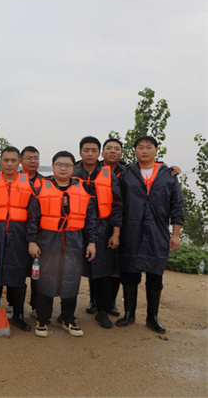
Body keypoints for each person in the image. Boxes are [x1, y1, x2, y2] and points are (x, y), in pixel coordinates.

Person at [116, 136, 184, 334]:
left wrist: (176, 234)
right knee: (129, 274)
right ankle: (129, 314)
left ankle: (152, 317)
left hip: (157, 232)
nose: (144, 150)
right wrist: (117, 232)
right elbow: (118, 205)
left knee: (155, 276)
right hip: (131, 231)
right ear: (135, 150)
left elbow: (177, 205)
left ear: (156, 150)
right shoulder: (126, 173)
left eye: (149, 147)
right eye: (140, 147)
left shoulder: (168, 174)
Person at [28, 151, 97, 338]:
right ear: (53, 167)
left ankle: (68, 318)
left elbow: (90, 219)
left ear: (73, 168)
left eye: (67, 165)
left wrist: (91, 242)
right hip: (48, 239)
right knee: (46, 277)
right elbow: (32, 218)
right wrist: (32, 241)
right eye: (59, 164)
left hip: (74, 239)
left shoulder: (82, 189)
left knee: (71, 278)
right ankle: (43, 320)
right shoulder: (41, 188)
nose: (63, 168)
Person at [0, 146, 34, 331]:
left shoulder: (28, 182)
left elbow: (34, 212)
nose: (9, 164)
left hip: (19, 231)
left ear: (19, 162)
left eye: (13, 160)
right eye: (6, 160)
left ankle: (18, 314)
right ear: (0, 162)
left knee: (17, 271)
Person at [73, 136, 122, 328]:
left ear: (99, 153)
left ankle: (102, 311)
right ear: (80, 153)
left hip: (103, 227)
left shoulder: (108, 175)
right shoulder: (72, 174)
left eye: (94, 150)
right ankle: (67, 311)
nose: (90, 154)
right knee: (71, 269)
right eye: (86, 150)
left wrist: (116, 232)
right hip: (76, 227)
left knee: (103, 271)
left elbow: (118, 205)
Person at [20, 145, 44, 316]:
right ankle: (16, 306)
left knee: (38, 272)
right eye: (29, 158)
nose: (33, 161)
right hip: (18, 232)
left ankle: (36, 305)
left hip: (39, 233)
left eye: (36, 157)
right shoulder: (14, 180)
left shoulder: (45, 182)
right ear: (21, 161)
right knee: (19, 272)